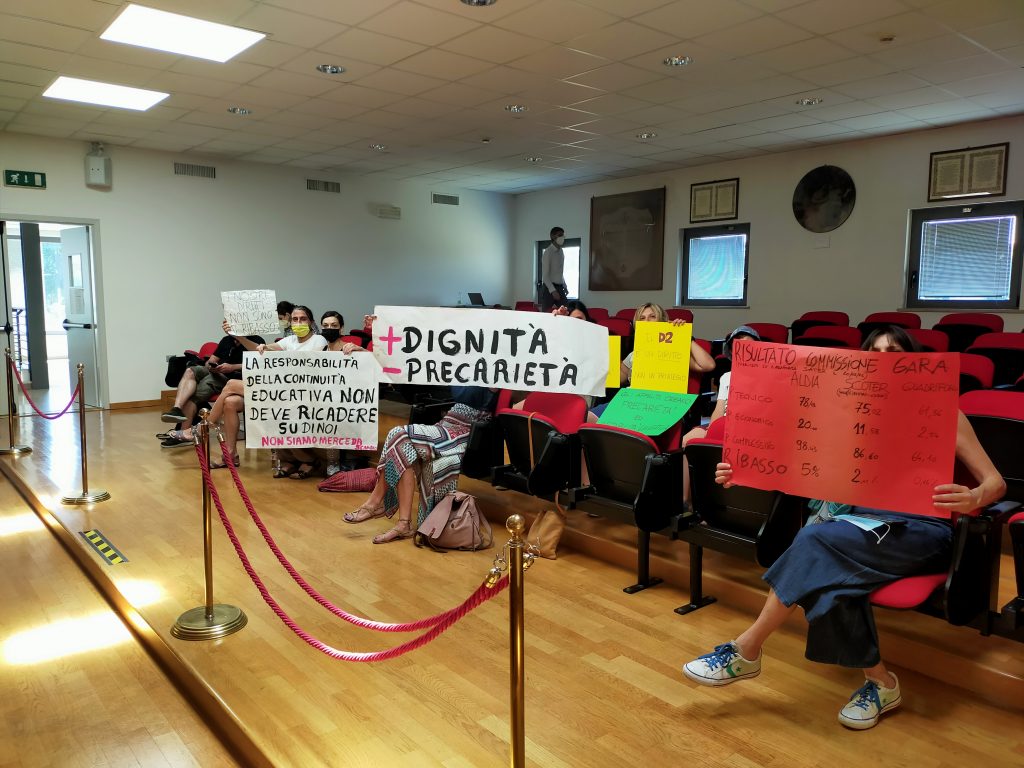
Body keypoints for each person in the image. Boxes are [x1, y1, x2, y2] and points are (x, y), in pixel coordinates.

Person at [682, 325, 1006, 731]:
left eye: (896, 351)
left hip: (920, 531)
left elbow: (997, 483)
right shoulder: (851, 414)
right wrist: (742, 471)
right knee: (833, 579)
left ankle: (747, 648)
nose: (886, 358)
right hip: (858, 528)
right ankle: (881, 682)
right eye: (876, 353)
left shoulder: (943, 412)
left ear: (914, 361)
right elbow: (801, 468)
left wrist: (974, 499)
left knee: (817, 539)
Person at [343, 386, 498, 544]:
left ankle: (375, 503)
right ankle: (403, 523)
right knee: (401, 444)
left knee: (398, 434)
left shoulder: (494, 367)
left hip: (468, 430)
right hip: (448, 422)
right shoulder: (463, 365)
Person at [160, 331, 264, 427]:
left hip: (235, 378)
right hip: (219, 372)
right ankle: (176, 408)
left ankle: (184, 433)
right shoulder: (226, 340)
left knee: (194, 393)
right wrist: (210, 365)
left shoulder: (256, 341)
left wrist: (233, 367)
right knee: (190, 371)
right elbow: (211, 360)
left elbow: (260, 363)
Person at [682, 325, 760, 445]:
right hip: (724, 422)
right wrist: (711, 429)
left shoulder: (765, 377)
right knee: (688, 440)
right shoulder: (726, 377)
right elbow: (719, 408)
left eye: (749, 347)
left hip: (748, 425)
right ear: (731, 352)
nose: (745, 351)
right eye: (738, 347)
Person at [228, 305, 326, 353]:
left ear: (311, 322)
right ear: (291, 322)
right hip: (284, 384)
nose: (299, 323)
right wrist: (238, 337)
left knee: (231, 385)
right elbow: (259, 349)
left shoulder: (318, 339)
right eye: (295, 319)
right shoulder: (290, 339)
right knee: (232, 391)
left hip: (304, 387)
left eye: (303, 319)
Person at [539, 227, 567, 311]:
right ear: (553, 236)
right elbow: (545, 276)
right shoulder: (548, 252)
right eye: (560, 235)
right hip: (549, 288)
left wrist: (564, 285)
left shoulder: (561, 252)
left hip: (559, 287)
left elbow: (559, 272)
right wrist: (553, 291)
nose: (563, 237)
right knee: (546, 315)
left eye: (563, 235)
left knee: (566, 311)